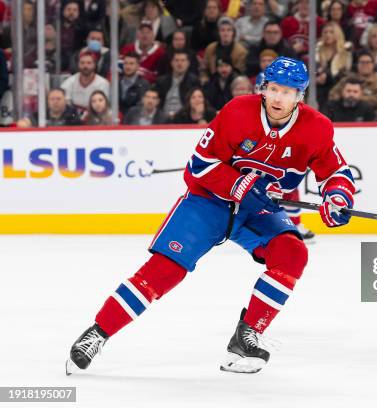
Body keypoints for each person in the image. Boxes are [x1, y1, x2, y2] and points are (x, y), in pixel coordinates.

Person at [66, 56, 356, 375]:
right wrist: (242, 184)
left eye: (287, 92)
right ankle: (97, 333)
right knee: (164, 271)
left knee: (292, 252)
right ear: (264, 88)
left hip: (256, 211)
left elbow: (336, 172)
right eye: (273, 89)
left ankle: (247, 335)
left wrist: (338, 196)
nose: (278, 98)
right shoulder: (236, 112)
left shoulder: (316, 128)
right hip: (209, 201)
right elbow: (199, 166)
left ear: (300, 96)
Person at [328, 50, 377, 121]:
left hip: (374, 115)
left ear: (373, 64)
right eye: (362, 62)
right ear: (357, 64)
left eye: (368, 62)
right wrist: (345, 98)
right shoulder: (347, 80)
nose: (365, 65)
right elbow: (333, 94)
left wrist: (359, 98)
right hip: (345, 112)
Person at [154, 50, 201, 119]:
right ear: (171, 63)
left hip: (184, 118)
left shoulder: (194, 81)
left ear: (188, 63)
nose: (179, 63)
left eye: (183, 60)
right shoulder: (161, 81)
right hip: (162, 118)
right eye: (176, 60)